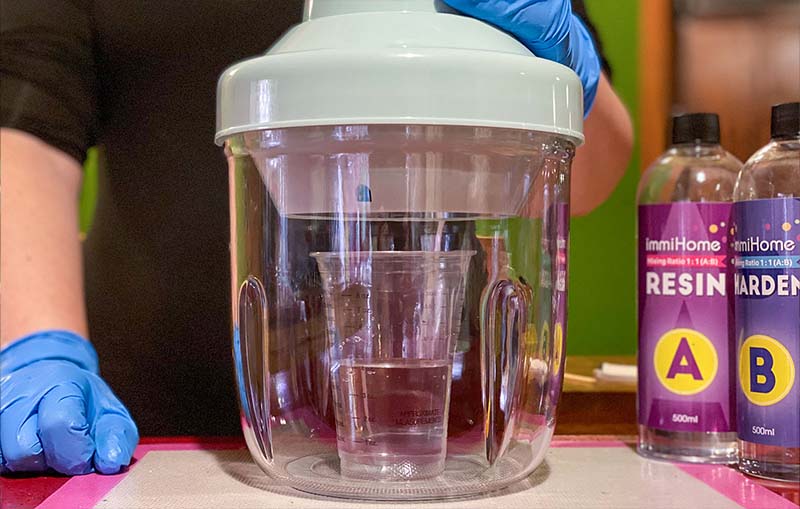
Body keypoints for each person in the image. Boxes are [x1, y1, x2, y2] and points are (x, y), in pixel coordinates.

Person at [0, 0, 633, 475]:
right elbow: (21, 119)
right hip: (152, 442)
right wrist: (37, 346)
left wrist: (564, 78)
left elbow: (599, 164)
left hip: (458, 447)